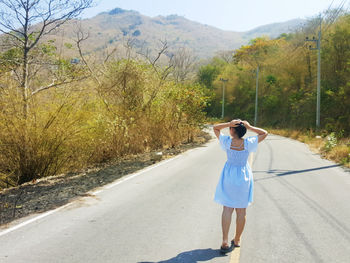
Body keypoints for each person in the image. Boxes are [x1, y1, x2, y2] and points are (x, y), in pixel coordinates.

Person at [213, 119, 268, 253]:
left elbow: (215, 128)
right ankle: (237, 239)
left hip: (229, 176)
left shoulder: (226, 141)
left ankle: (225, 241)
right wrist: (250, 127)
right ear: (243, 131)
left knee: (227, 209)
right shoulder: (248, 143)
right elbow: (264, 133)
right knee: (241, 211)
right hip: (243, 177)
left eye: (230, 128)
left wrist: (228, 123)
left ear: (232, 131)